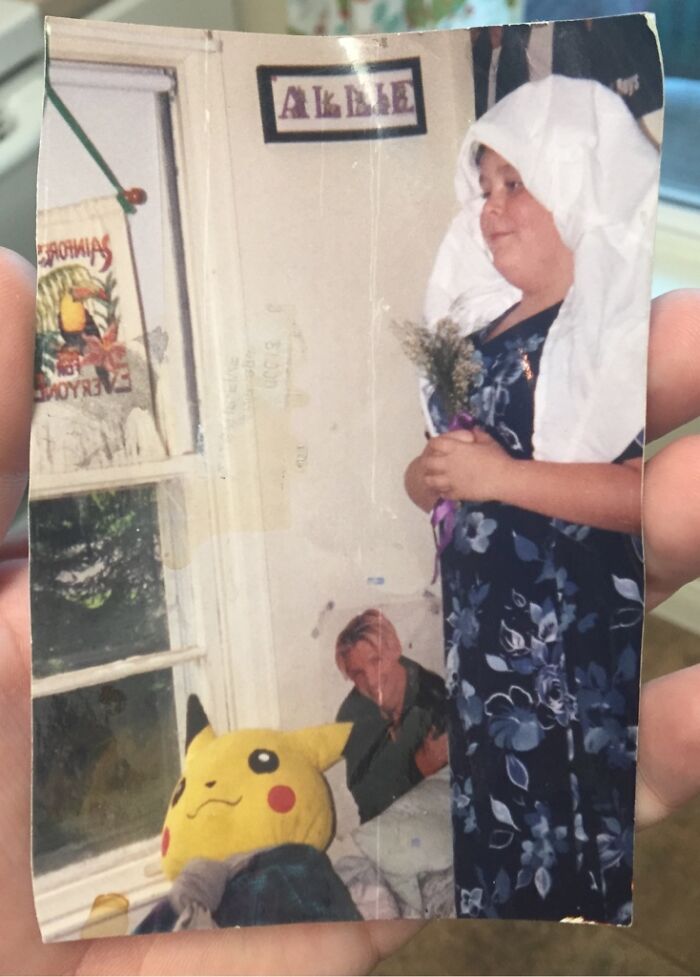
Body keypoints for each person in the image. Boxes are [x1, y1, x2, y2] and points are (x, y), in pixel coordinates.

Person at [1, 255, 700, 966]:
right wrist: (421, 758)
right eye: (356, 674)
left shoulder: (432, 680)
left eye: (369, 663)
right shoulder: (358, 716)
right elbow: (370, 794)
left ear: (391, 644)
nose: (367, 680)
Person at [405, 76, 663, 922]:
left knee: (584, 858)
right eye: (484, 188)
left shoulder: (622, 332)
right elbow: (436, 470)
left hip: (578, 650)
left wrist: (500, 478)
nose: (490, 208)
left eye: (514, 184)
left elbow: (648, 496)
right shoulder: (478, 333)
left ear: (575, 183)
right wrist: (430, 474)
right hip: (488, 654)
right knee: (508, 861)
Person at [335, 609, 448, 823]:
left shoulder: (435, 696)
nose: (371, 680)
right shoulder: (350, 715)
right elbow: (367, 802)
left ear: (395, 649)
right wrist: (419, 768)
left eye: (376, 661)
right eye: (358, 673)